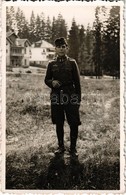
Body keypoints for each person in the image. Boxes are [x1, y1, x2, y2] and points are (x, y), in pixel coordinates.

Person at [44, 37, 81, 156]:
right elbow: (46, 79)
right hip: (56, 96)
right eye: (59, 47)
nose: (61, 49)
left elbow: (77, 82)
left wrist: (78, 99)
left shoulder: (72, 63)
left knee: (73, 122)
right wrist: (52, 83)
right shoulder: (51, 64)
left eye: (63, 47)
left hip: (70, 95)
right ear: (55, 49)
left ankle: (73, 148)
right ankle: (61, 147)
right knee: (59, 122)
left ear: (67, 48)